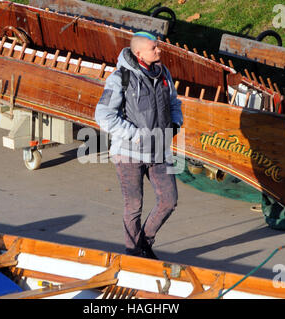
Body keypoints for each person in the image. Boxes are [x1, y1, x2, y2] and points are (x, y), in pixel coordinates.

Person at [95, 31, 183, 259]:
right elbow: (103, 115)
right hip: (129, 153)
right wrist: (135, 135)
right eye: (154, 48)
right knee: (134, 206)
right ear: (139, 53)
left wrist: (176, 122)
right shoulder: (120, 78)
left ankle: (143, 242)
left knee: (169, 200)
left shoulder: (163, 73)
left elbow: (174, 102)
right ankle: (134, 253)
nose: (159, 51)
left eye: (158, 47)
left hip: (159, 150)